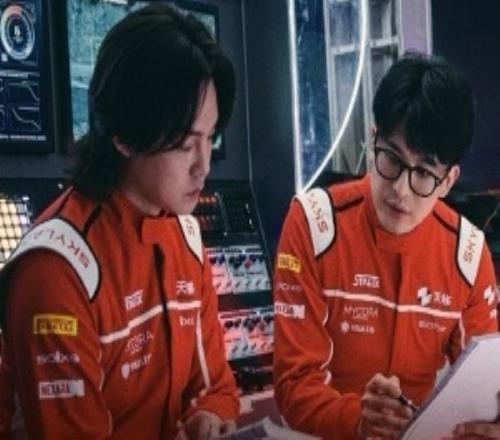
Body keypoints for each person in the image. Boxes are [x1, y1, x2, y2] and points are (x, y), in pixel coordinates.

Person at [0, 4, 238, 438]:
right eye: (185, 144)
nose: (204, 166)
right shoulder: (55, 271)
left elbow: (216, 386)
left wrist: (208, 417)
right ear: (124, 136)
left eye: (211, 138)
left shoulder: (186, 238)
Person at [273, 52, 499, 439]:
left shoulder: (469, 253)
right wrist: (358, 420)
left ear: (448, 181)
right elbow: (293, 384)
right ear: (373, 137)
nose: (400, 190)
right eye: (392, 158)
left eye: (423, 172)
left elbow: (484, 387)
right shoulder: (313, 224)